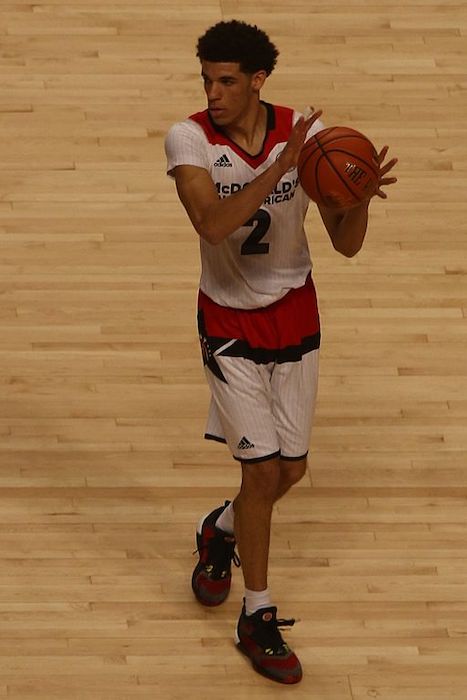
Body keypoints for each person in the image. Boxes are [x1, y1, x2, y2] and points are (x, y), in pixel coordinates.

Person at [165, 19, 397, 684]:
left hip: (296, 316)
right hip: (229, 325)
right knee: (262, 476)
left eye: (227, 81)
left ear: (257, 80)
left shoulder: (309, 136)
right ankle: (256, 613)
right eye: (206, 79)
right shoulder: (188, 139)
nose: (212, 92)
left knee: (288, 474)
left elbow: (345, 245)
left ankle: (219, 531)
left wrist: (356, 196)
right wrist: (280, 165)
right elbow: (211, 224)